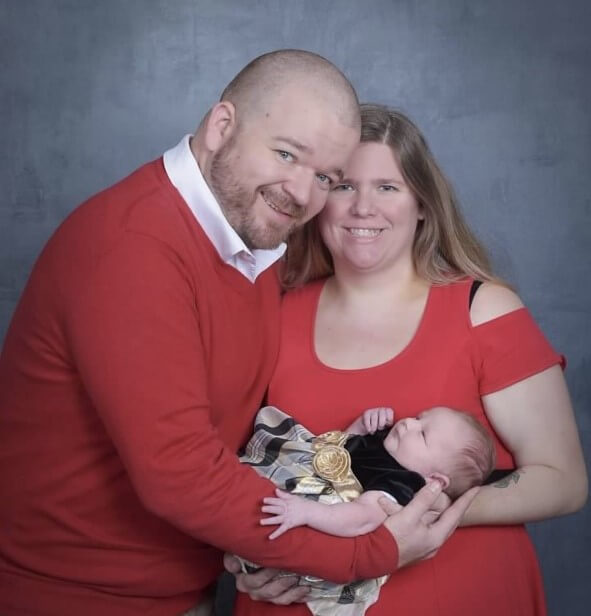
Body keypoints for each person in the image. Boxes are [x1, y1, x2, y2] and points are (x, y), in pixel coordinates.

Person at [0, 53, 476, 616]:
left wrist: (267, 553)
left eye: (325, 177)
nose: (301, 193)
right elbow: (179, 472)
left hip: (178, 588)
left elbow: (234, 442)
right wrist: (368, 552)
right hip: (71, 595)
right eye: (286, 154)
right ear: (221, 127)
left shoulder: (254, 250)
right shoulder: (134, 248)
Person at [229, 105, 588, 616]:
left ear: (422, 203)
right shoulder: (270, 311)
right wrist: (245, 559)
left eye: (387, 187)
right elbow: (223, 469)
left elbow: (563, 479)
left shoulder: (483, 309)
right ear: (317, 201)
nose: (363, 208)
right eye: (344, 186)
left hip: (462, 598)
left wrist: (419, 511)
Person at [237, 405, 495, 616]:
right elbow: (343, 452)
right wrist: (361, 426)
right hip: (314, 471)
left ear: (434, 480)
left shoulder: (398, 484)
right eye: (419, 418)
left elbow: (360, 518)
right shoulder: (389, 446)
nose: (408, 423)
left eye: (423, 435)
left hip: (323, 517)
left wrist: (306, 512)